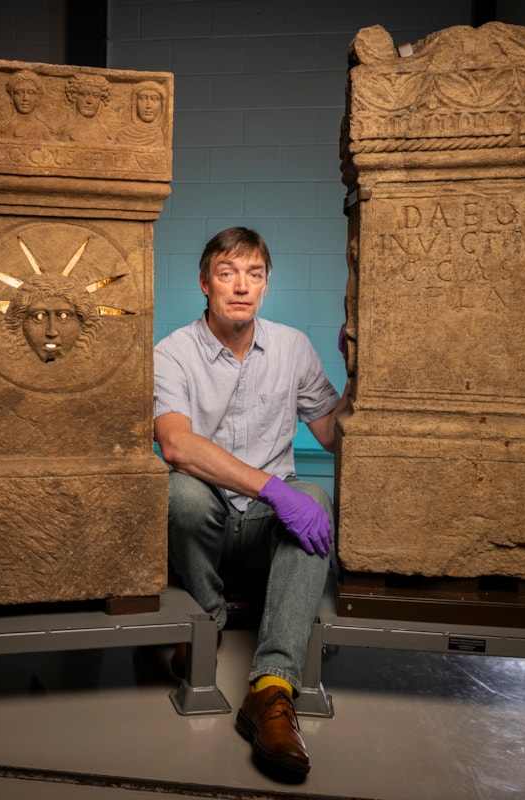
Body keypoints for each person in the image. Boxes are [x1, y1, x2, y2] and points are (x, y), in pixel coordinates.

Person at [153, 227, 348, 777]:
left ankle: (271, 688)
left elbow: (332, 433)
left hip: (267, 527)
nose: (241, 286)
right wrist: (272, 488)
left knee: (315, 496)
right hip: (211, 518)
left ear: (265, 285)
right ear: (204, 283)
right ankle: (204, 627)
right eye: (227, 272)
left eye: (254, 274)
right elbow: (175, 444)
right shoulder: (172, 353)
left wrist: (360, 370)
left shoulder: (292, 347)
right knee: (181, 493)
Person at [0, 70, 53, 140]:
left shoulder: (42, 129)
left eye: (31, 93)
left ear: (38, 98)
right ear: (11, 97)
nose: (25, 98)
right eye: (20, 93)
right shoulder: (8, 127)